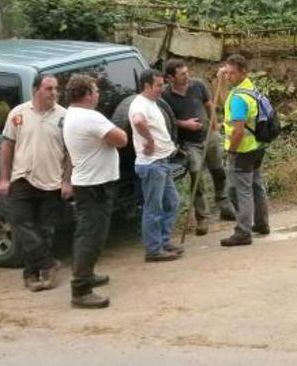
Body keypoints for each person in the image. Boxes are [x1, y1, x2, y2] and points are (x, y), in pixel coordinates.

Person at [0, 74, 70, 291]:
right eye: (49, 88)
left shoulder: (64, 117)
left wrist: (67, 181)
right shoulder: (18, 113)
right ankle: (48, 264)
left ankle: (33, 273)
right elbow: (7, 146)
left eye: (56, 88)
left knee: (45, 229)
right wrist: (4, 178)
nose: (54, 93)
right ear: (35, 90)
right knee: (21, 223)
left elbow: (71, 153)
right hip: (22, 178)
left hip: (51, 181)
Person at [63, 74, 128, 309]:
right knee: (91, 234)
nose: (98, 94)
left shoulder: (71, 115)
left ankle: (86, 275)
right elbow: (121, 139)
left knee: (89, 232)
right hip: (94, 184)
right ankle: (80, 289)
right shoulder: (90, 117)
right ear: (88, 94)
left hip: (88, 182)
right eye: (96, 91)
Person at [163, 59, 231, 236]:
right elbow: (165, 119)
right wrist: (184, 124)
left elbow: (209, 105)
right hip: (189, 144)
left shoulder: (198, 85)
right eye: (182, 74)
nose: (187, 76)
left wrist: (215, 129)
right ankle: (202, 218)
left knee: (219, 171)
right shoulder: (164, 96)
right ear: (170, 78)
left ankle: (224, 204)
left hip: (209, 137)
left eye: (187, 72)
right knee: (197, 178)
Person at [129, 69, 183, 262]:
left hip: (162, 162)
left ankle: (163, 241)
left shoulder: (152, 103)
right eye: (159, 85)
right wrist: (150, 142)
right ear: (147, 86)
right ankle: (153, 249)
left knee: (173, 202)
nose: (162, 89)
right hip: (152, 164)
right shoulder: (139, 104)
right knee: (153, 208)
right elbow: (137, 121)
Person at [218, 54, 270, 246]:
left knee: (240, 191)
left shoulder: (239, 98)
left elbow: (238, 131)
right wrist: (221, 81)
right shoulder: (249, 89)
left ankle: (243, 232)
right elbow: (226, 102)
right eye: (227, 72)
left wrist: (231, 151)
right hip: (257, 147)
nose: (228, 76)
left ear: (243, 73)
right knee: (256, 186)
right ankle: (262, 223)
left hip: (243, 150)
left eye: (232, 73)